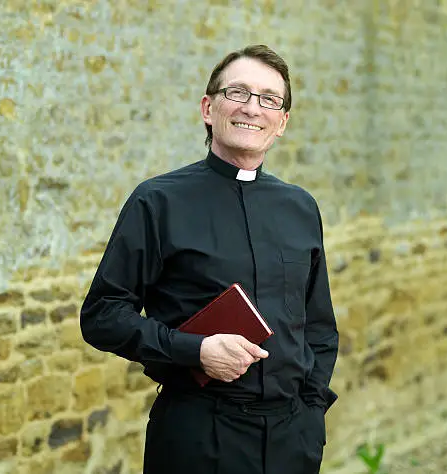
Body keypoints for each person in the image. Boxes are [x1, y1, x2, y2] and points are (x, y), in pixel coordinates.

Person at [80, 44, 339, 474]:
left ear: (282, 123)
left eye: (268, 99)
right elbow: (102, 315)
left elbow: (319, 326)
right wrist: (195, 350)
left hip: (292, 441)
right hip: (197, 436)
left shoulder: (301, 207)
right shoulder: (157, 201)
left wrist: (312, 410)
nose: (252, 108)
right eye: (237, 92)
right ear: (208, 108)